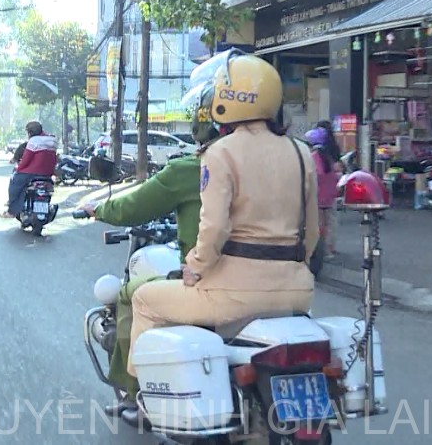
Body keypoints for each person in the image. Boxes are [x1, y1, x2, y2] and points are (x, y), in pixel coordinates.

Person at [126, 50, 320, 400]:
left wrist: (195, 268)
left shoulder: (220, 153)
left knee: (143, 298)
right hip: (296, 293)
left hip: (232, 295)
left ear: (225, 100)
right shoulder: (301, 152)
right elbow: (313, 232)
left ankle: (143, 398)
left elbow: (214, 229)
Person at [75, 109, 215, 420]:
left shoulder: (197, 170)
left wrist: (97, 209)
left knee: (132, 296)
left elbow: (134, 207)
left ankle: (135, 392)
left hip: (214, 283)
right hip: (291, 283)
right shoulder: (291, 161)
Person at [2, 121, 57, 218]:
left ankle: (12, 210)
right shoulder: (52, 140)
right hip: (47, 174)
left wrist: (18, 169)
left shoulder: (33, 141)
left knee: (14, 182)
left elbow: (26, 160)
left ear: (30, 133)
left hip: (31, 173)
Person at [306, 126, 344, 259]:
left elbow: (316, 175)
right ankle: (330, 248)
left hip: (318, 195)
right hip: (330, 195)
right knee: (330, 222)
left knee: (319, 225)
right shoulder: (328, 156)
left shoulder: (314, 156)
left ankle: (321, 251)